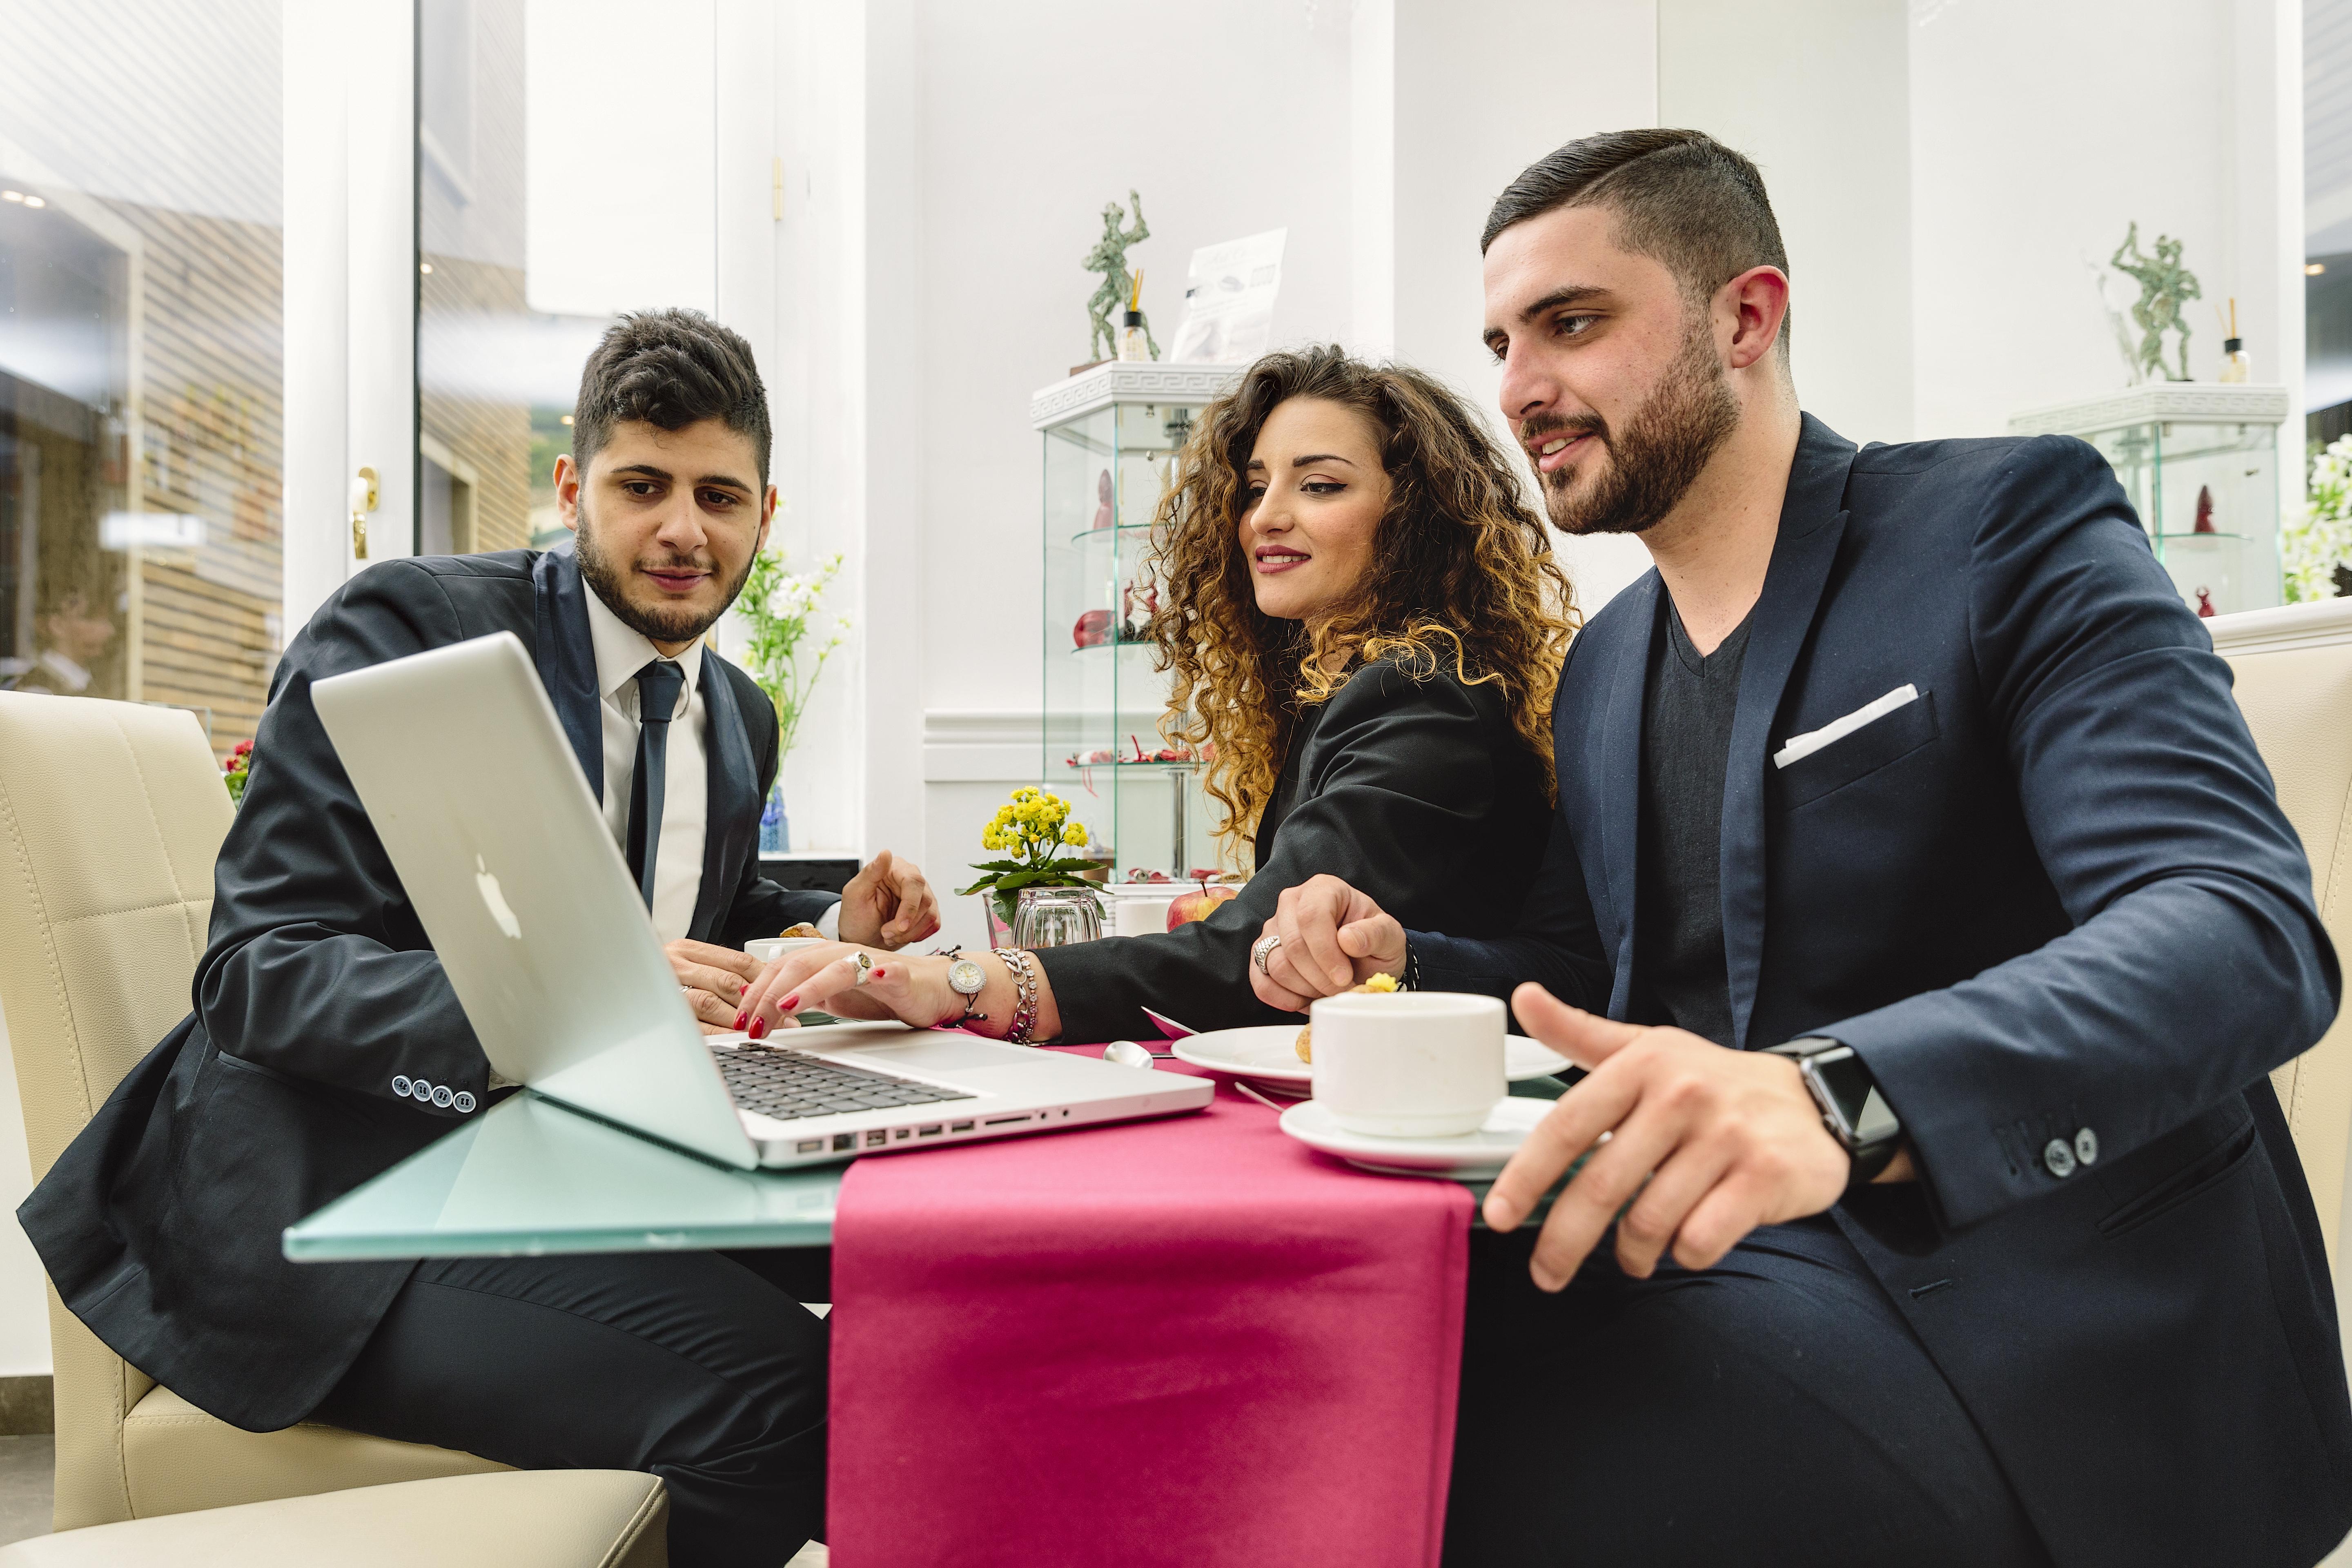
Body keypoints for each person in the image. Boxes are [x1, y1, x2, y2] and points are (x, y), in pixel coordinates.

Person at [1252, 130, 2352, 1566]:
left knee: (1465, 1447)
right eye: (1502, 341)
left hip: (2043, 1335)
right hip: (1736, 1274)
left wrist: (1841, 1100)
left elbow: (2238, 928)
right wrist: (1400, 965)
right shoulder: (1604, 669)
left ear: (1746, 318)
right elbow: (1588, 970)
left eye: (1573, 323)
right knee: (1337, 1357)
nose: (1521, 387)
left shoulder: (2004, 527)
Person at [19, 310, 939, 1566]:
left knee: (929, 1276)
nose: (684, 530)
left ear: (766, 516)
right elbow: (259, 973)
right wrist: (561, 999)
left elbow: (671, 916)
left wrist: (828, 927)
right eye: (642, 487)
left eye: (720, 494)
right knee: (789, 1400)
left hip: (566, 1169)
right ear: (572, 490)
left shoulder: (735, 710)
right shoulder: (410, 630)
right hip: (350, 1204)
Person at [733, 346, 1574, 1045]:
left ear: (1413, 517)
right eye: (1254, 487)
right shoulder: (1364, 683)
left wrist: (957, 982)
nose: (1265, 518)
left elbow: (1255, 950)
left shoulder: (1420, 695)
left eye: (1319, 485)